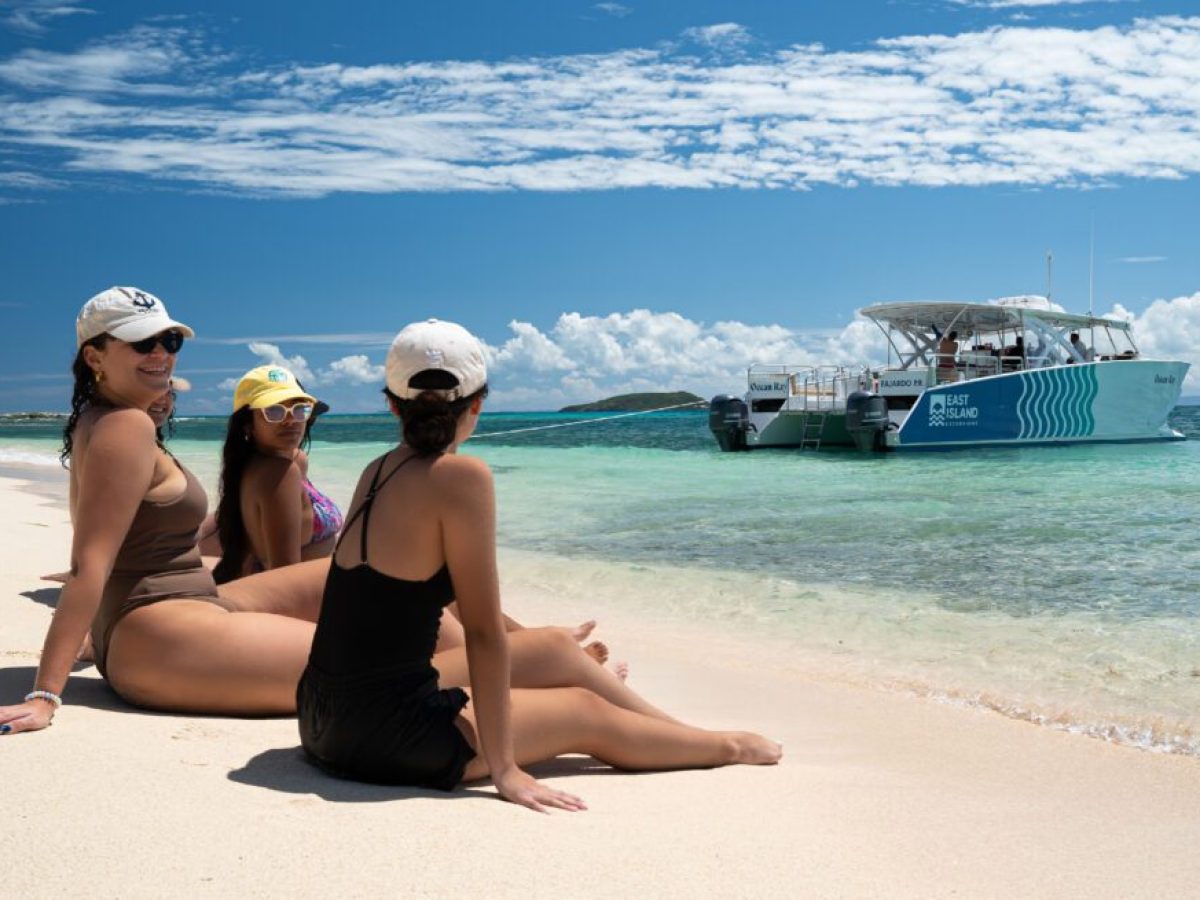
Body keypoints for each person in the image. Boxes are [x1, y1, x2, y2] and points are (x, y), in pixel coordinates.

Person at [0, 289, 697, 735]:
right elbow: (92, 562)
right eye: (142, 344)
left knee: (349, 578)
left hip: (186, 605)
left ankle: (528, 647)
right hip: (162, 635)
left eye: (170, 342)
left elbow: (115, 552)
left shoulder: (105, 418)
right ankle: (539, 661)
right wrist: (48, 693)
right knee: (373, 661)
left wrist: (97, 635)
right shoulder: (126, 429)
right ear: (95, 355)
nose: (161, 355)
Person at [296, 319, 781, 810]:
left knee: (549, 646)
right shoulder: (463, 477)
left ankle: (677, 732)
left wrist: (530, 653)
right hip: (382, 736)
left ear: (392, 404)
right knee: (584, 712)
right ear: (478, 404)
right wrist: (505, 770)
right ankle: (725, 746)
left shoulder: (375, 471)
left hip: (320, 713)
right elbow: (483, 632)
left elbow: (411, 602)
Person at [210, 366, 344, 583]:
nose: (291, 420)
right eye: (274, 411)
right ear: (248, 424)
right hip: (297, 597)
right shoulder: (278, 473)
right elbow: (284, 576)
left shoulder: (279, 462)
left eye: (300, 409)